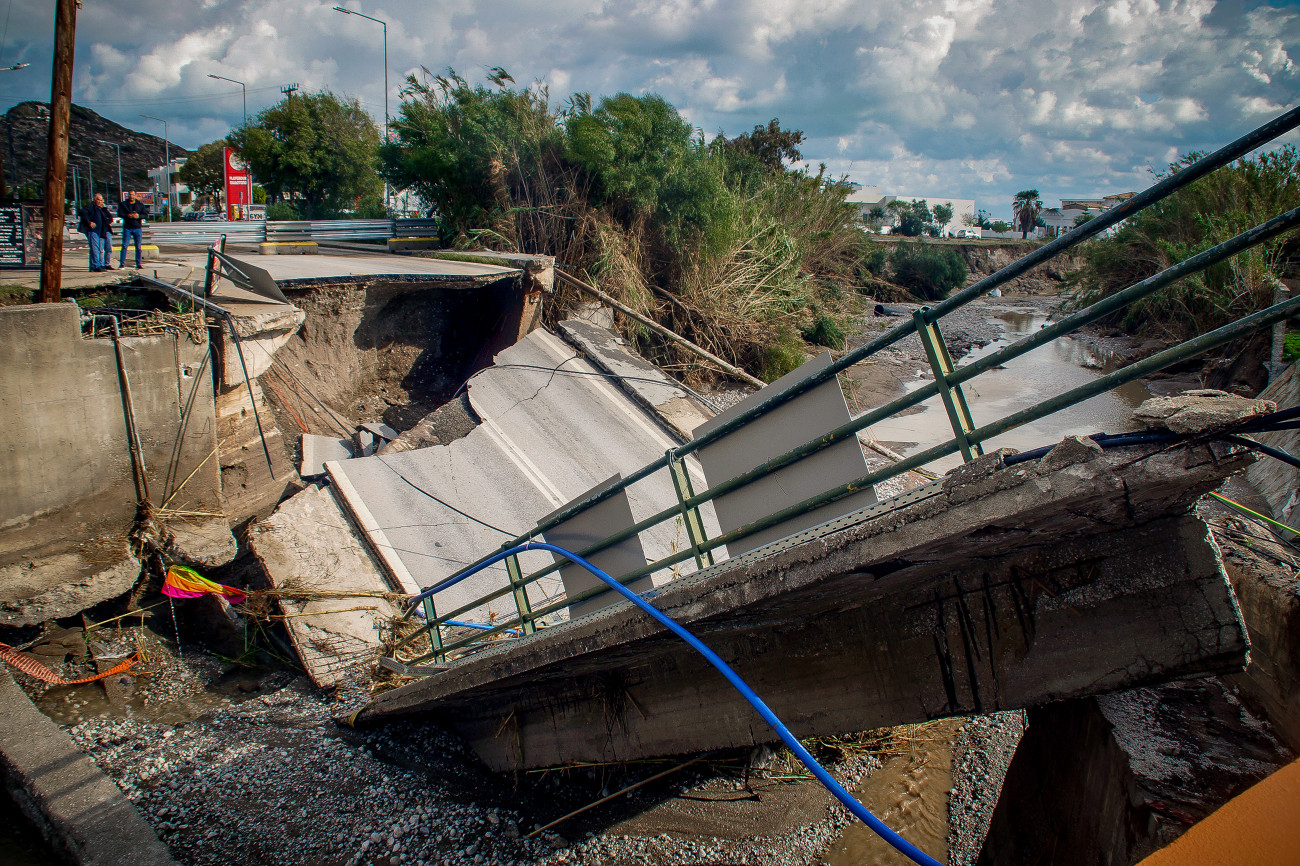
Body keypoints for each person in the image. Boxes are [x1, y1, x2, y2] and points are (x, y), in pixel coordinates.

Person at [77, 193, 114, 272]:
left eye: (101, 200)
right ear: (95, 200)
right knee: (95, 249)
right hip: (93, 231)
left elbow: (109, 217)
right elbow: (82, 212)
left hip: (100, 231)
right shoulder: (90, 206)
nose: (100, 202)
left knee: (97, 249)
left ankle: (94, 266)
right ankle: (96, 266)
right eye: (98, 200)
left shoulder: (100, 209)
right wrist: (89, 222)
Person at [118, 191, 148, 269]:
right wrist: (127, 216)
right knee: (124, 246)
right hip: (127, 227)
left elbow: (145, 215)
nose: (131, 196)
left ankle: (138, 263)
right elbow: (119, 213)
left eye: (133, 195)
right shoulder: (123, 204)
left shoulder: (140, 205)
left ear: (135, 195)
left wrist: (138, 216)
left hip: (137, 228)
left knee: (138, 247)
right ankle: (122, 264)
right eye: (130, 195)